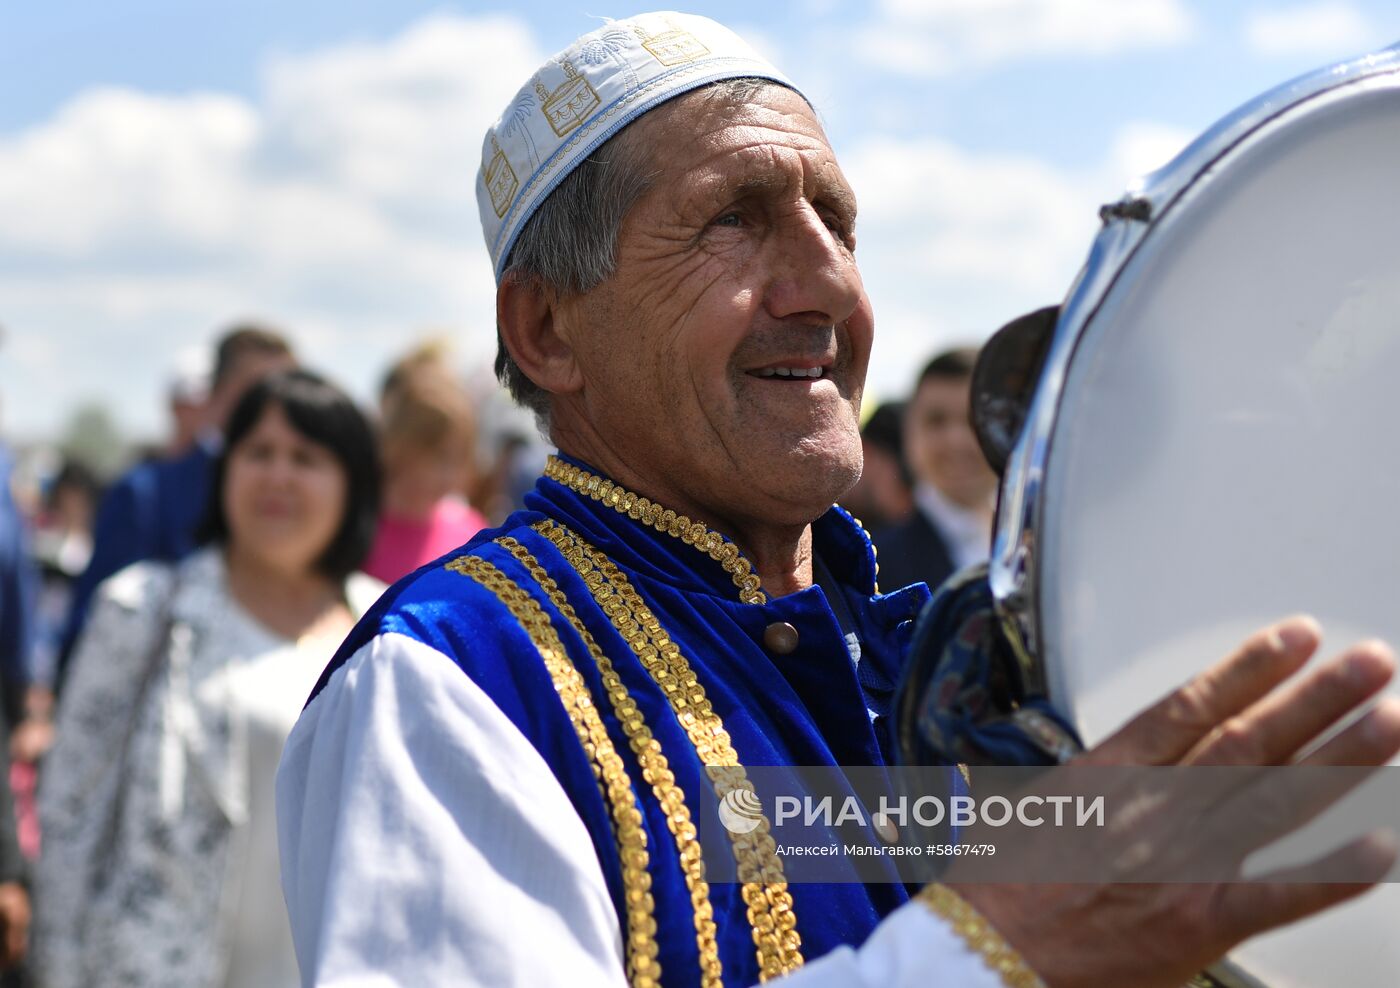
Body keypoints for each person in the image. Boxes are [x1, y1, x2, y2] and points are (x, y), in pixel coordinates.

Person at [276, 13, 1400, 987]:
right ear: (547, 330)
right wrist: (1005, 947)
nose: (828, 286)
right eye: (734, 218)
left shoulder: (933, 667)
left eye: (837, 223)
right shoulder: (451, 681)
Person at [34, 369, 382, 988]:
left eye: (306, 457)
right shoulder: (143, 611)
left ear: (352, 483)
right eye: (259, 452)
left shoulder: (389, 632)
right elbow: (69, 818)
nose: (278, 475)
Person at [56, 324, 296, 684]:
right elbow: (92, 628)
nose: (273, 410)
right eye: (255, 393)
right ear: (216, 397)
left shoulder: (297, 505)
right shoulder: (146, 494)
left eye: (288, 395)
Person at [360, 342, 487, 583]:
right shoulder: (353, 529)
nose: (450, 474)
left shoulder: (470, 531)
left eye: (458, 458)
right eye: (438, 457)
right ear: (398, 448)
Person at [873, 348, 996, 595]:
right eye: (936, 420)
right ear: (909, 431)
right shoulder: (874, 565)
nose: (957, 440)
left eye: (974, 420)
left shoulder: (1047, 544)